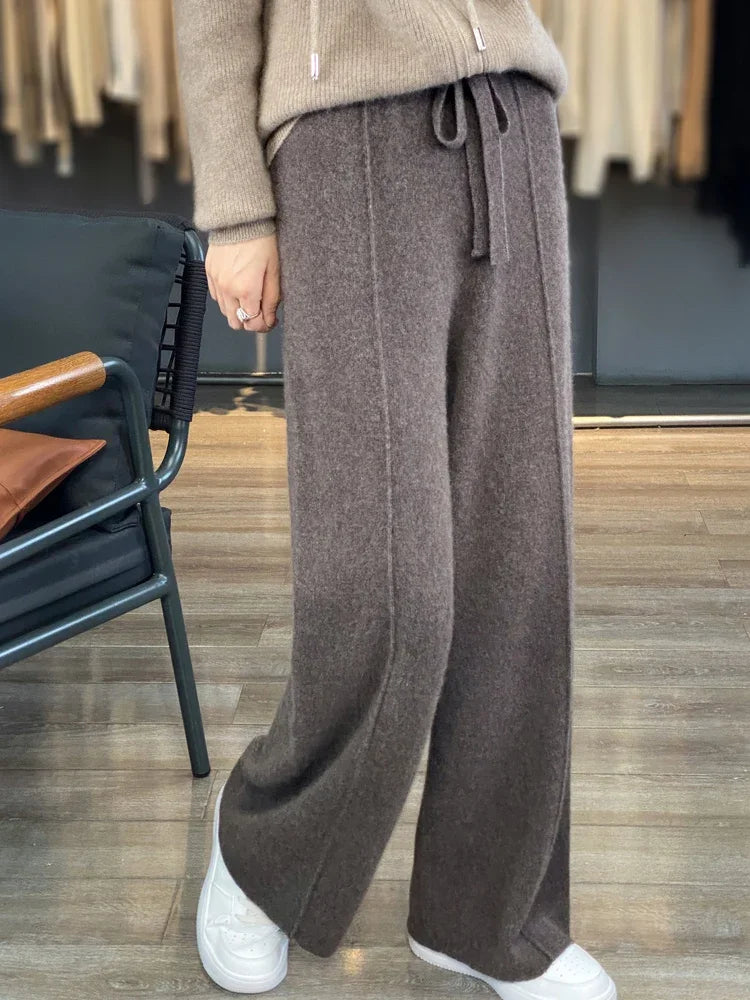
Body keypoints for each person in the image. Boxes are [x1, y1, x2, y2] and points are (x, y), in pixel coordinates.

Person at [173, 3, 617, 997]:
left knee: (518, 562)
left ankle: (485, 916)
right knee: (385, 584)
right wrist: (237, 208)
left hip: (513, 122)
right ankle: (262, 854)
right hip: (347, 138)